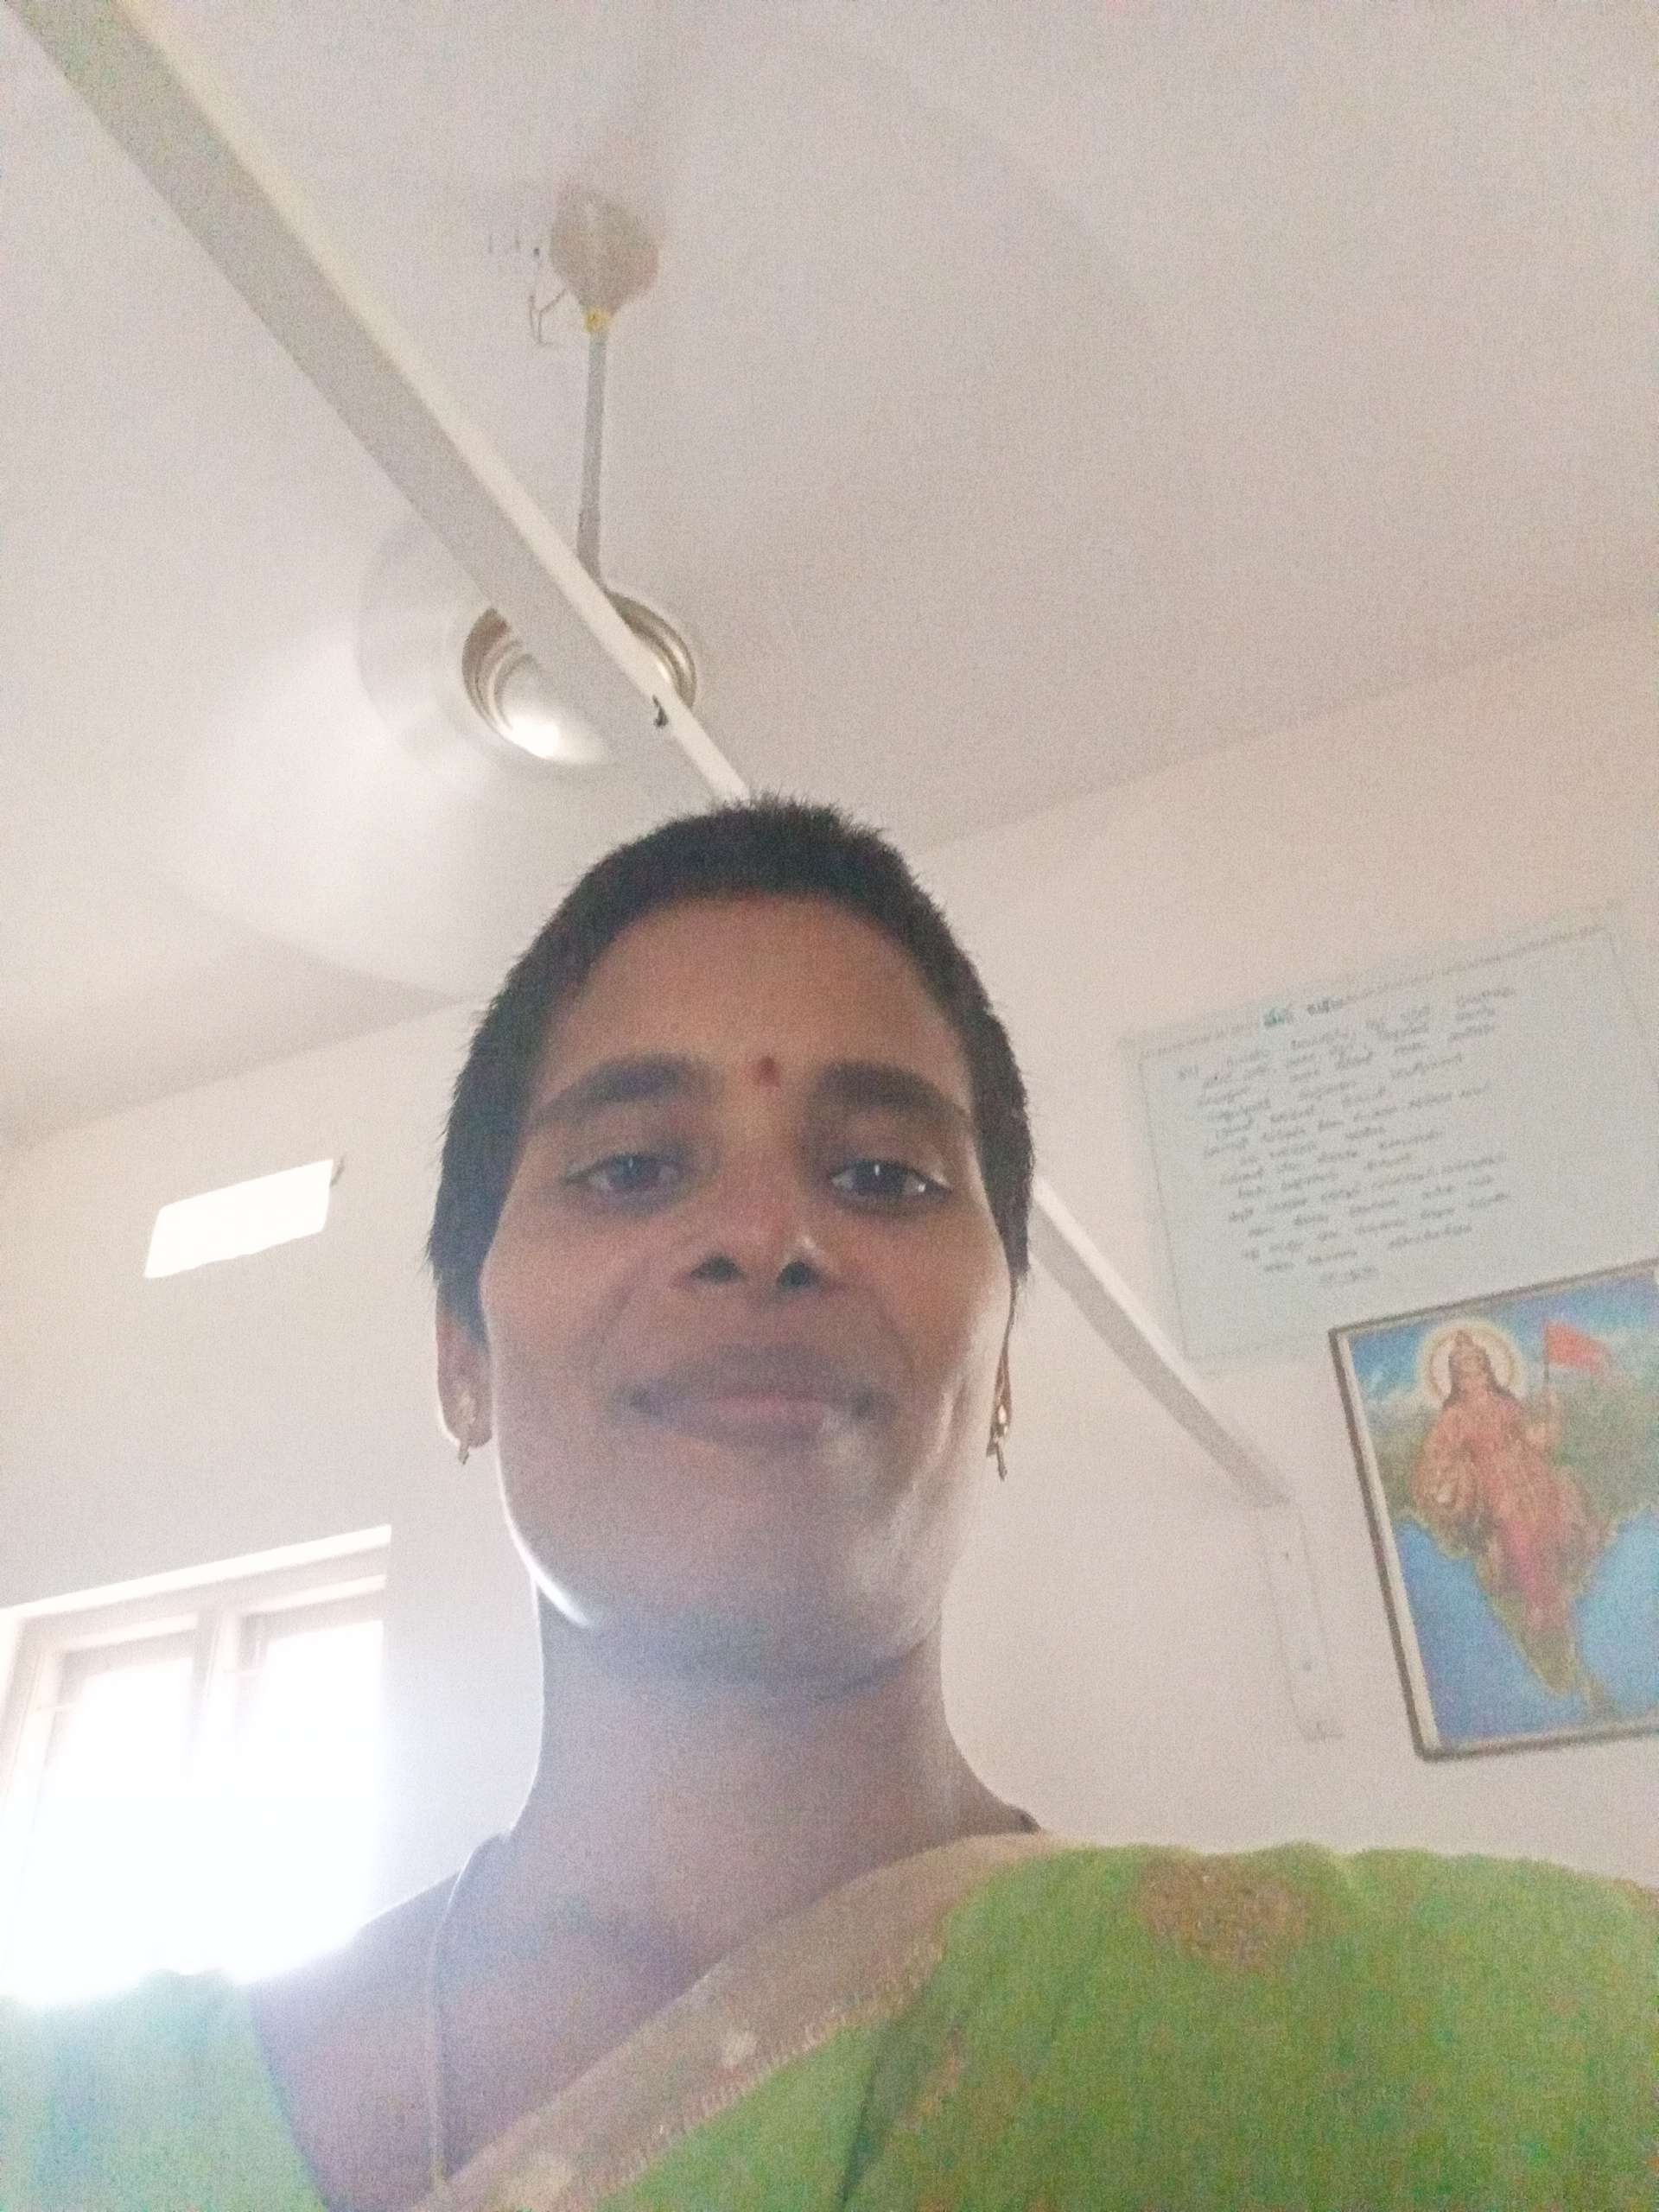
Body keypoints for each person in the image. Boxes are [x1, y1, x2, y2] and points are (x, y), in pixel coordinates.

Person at [3, 800, 1652, 2209]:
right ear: (462, 1359)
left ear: (1000, 1369)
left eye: (882, 1175)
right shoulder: (72, 2135)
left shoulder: (1503, 2059)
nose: (764, 1234)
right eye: (632, 1166)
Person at [1413, 1330, 1605, 1646]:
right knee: (1517, 1532)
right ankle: (1538, 1606)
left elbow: (1531, 1438)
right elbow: (1438, 1454)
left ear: (1488, 1371)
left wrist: (1553, 1414)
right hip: (1492, 1482)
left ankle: (1560, 1599)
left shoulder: (1505, 1404)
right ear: (1457, 1381)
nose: (1475, 1380)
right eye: (1466, 1376)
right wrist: (1452, 1477)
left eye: (1479, 1372)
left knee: (1552, 1516)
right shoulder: (1454, 1417)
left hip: (1530, 1472)